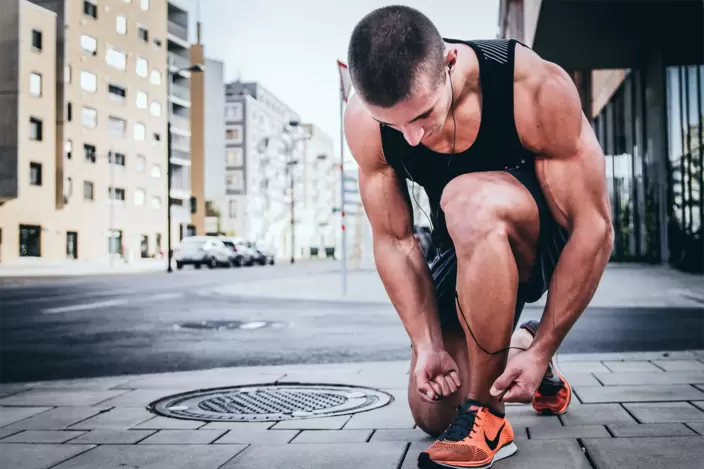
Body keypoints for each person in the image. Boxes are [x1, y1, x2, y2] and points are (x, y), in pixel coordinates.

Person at [344, 6, 614, 469]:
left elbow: (595, 226)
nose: (410, 138)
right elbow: (394, 240)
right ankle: (518, 350)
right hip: (464, 246)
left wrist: (551, 339)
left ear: (449, 63)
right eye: (394, 125)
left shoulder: (528, 84)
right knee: (432, 411)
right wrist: (426, 344)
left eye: (423, 115)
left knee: (466, 198)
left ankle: (487, 418)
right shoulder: (365, 119)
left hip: (538, 238)